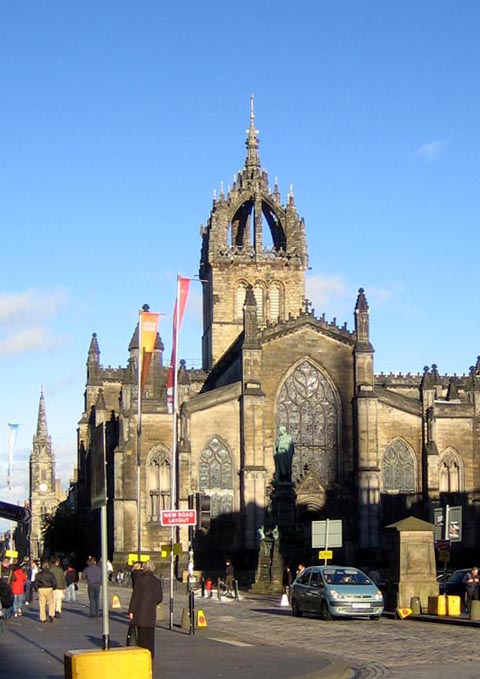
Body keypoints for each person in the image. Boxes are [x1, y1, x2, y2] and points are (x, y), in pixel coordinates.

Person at [128, 560, 163, 659]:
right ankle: (150, 655)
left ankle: (142, 656)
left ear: (144, 568)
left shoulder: (140, 580)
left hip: (140, 613)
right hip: (151, 613)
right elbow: (159, 598)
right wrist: (152, 603)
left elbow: (135, 597)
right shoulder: (157, 581)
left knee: (141, 637)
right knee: (150, 637)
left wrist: (131, 611)